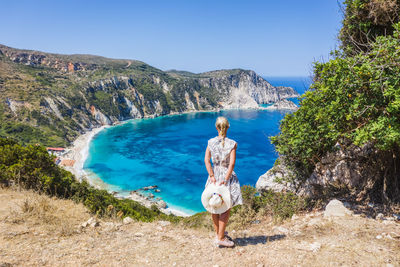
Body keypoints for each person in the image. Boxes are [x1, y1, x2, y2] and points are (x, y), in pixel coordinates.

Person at [203, 116, 243, 247]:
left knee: (214, 205)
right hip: (226, 177)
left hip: (214, 176)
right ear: (228, 127)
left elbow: (206, 160)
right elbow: (231, 164)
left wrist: (212, 176)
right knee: (225, 208)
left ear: (216, 127)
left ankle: (218, 234)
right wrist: (226, 180)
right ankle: (220, 237)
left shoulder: (210, 142)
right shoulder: (232, 144)